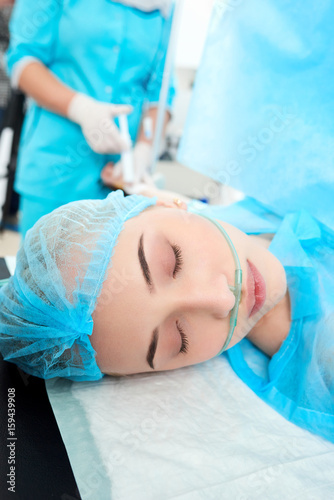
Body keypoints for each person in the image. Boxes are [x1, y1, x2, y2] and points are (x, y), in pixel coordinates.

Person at [0, 187, 333, 444]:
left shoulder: (240, 208)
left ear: (161, 202)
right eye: (179, 338)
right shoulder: (323, 359)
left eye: (174, 260)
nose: (222, 300)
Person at [5, 0, 176, 236]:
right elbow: (23, 60)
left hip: (120, 179)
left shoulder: (165, 6)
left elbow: (162, 87)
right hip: (56, 166)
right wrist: (81, 108)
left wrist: (145, 150)